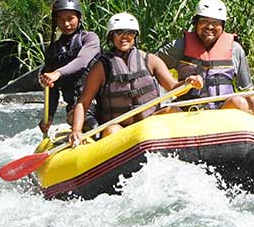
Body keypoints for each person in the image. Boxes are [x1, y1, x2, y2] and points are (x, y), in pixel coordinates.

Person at [69, 13, 202, 146]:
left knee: (172, 111)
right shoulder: (102, 67)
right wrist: (76, 130)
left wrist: (188, 82)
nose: (125, 37)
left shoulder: (150, 60)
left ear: (135, 36)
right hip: (120, 127)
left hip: (150, 123)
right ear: (111, 36)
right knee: (111, 131)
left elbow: (173, 88)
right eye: (119, 32)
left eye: (130, 33)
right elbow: (83, 102)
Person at [157, 0, 254, 117]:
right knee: (168, 110)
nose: (210, 27)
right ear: (195, 23)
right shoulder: (178, 46)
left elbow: (246, 89)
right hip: (187, 109)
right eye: (204, 21)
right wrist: (173, 83)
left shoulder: (235, 49)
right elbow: (153, 66)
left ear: (222, 26)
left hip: (221, 111)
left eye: (215, 22)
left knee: (239, 102)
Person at [38, 0, 102, 135]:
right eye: (61, 19)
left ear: (79, 18)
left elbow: (82, 61)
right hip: (76, 107)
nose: (66, 24)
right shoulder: (52, 51)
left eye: (70, 18)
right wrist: (49, 116)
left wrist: (58, 73)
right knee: (93, 128)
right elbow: (52, 90)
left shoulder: (90, 38)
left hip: (100, 101)